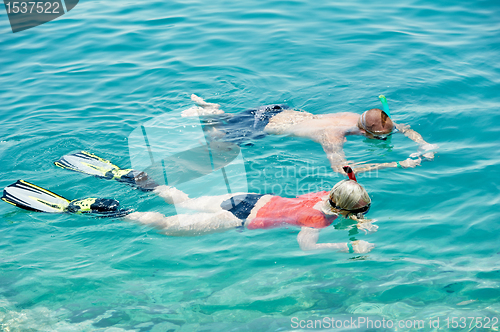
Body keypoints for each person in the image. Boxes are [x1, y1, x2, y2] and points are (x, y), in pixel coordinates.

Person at [2, 153, 377, 254]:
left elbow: (347, 186)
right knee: (165, 226)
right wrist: (347, 244)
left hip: (245, 199)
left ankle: (131, 178)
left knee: (181, 199)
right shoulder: (318, 221)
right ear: (346, 211)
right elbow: (304, 248)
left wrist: (354, 183)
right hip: (236, 221)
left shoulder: (324, 194)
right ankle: (111, 209)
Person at [182, 94, 438, 174]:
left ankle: (211, 109)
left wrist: (423, 143)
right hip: (264, 128)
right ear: (368, 132)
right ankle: (205, 115)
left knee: (228, 121)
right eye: (381, 137)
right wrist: (395, 163)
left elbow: (400, 127)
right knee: (215, 140)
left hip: (275, 111)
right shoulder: (333, 135)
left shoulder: (354, 118)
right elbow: (342, 169)